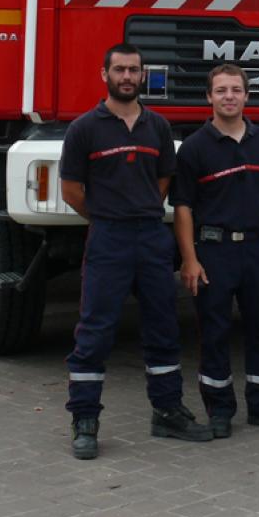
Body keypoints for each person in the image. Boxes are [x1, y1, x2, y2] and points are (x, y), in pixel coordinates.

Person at [61, 43, 212, 460]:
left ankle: (167, 412)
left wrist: (138, 210)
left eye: (134, 70)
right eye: (120, 69)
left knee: (164, 327)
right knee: (95, 331)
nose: (127, 76)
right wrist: (108, 216)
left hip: (150, 236)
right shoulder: (84, 129)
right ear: (104, 74)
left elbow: (164, 180)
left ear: (143, 76)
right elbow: (72, 191)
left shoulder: (157, 127)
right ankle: (85, 420)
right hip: (109, 237)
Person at [171, 64, 259, 438]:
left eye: (236, 90)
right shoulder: (194, 148)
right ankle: (219, 410)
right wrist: (190, 259)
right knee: (214, 332)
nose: (229, 97)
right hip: (214, 251)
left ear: (247, 96)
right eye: (221, 90)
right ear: (209, 97)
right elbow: (182, 208)